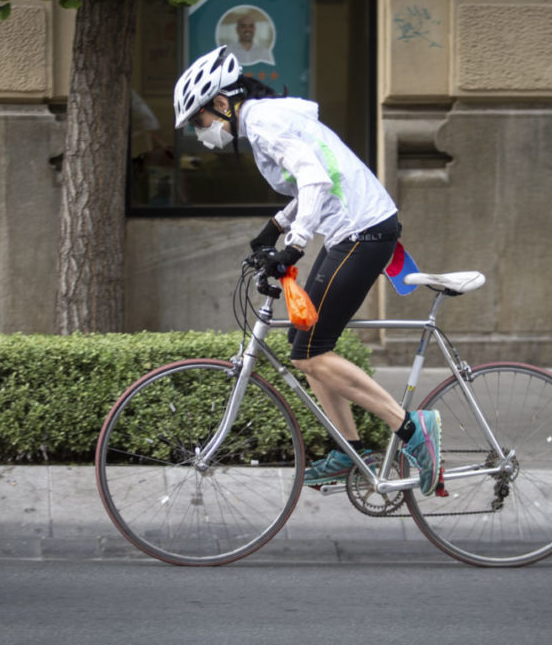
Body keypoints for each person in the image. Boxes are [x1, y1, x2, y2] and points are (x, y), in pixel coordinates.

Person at [172, 46, 442, 496]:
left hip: (362, 233)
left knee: (310, 352)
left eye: (200, 123)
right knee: (305, 345)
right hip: (352, 232)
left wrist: (293, 247)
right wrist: (273, 229)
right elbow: (318, 178)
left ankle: (413, 430)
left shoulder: (262, 124)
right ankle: (348, 451)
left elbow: (316, 180)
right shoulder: (263, 120)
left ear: (221, 104)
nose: (203, 135)